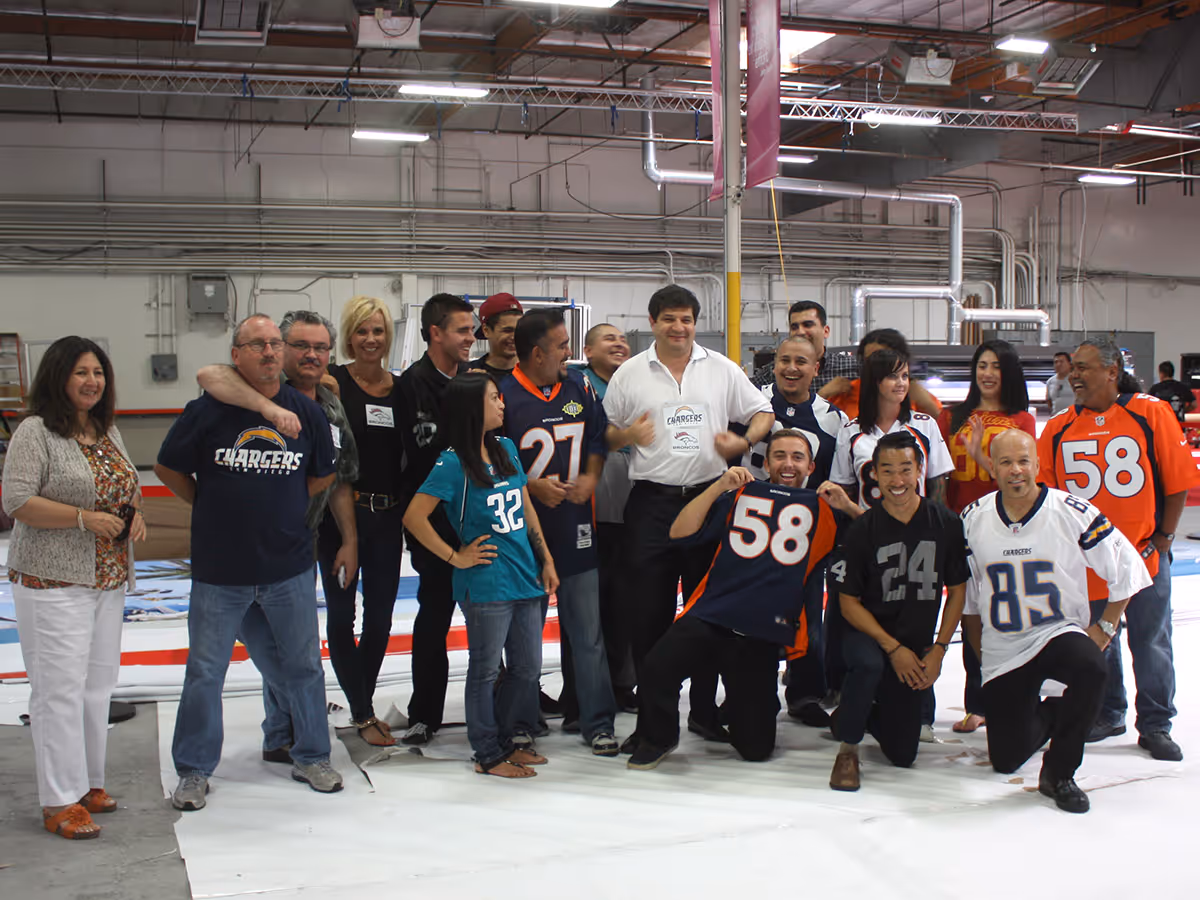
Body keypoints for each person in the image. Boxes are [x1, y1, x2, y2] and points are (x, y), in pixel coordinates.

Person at [156, 314, 341, 811]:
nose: (267, 352)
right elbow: (167, 466)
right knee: (205, 672)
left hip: (289, 565)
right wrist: (209, 502)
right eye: (255, 344)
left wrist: (276, 503)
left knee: (303, 666)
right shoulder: (208, 410)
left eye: (273, 344)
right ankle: (194, 770)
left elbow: (323, 475)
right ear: (235, 354)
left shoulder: (307, 411)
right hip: (221, 569)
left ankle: (313, 756)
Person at [603, 285, 774, 743]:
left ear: (695, 323)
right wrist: (627, 437)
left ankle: (703, 712)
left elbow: (763, 412)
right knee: (649, 616)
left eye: (687, 320)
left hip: (710, 499)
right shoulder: (629, 374)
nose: (679, 328)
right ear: (653, 322)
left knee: (709, 611)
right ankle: (653, 723)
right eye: (669, 319)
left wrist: (744, 442)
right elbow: (606, 436)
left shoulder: (720, 368)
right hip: (651, 504)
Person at [196, 310, 370, 749]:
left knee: (289, 647)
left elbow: (338, 479)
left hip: (298, 544)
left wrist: (349, 539)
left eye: (320, 348)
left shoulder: (328, 405)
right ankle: (289, 724)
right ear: (277, 348)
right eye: (299, 346)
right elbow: (210, 373)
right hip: (238, 548)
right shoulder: (251, 389)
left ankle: (280, 733)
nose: (310, 355)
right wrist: (266, 405)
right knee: (266, 647)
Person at [961, 429, 1152, 813]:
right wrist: (981, 653)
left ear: (1036, 464)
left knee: (1091, 667)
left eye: (1023, 461)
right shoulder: (972, 518)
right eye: (1006, 462)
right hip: (1005, 646)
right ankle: (1049, 714)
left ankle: (1060, 773)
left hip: (1055, 631)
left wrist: (1107, 626)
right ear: (992, 468)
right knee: (1006, 759)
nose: (1016, 470)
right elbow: (968, 600)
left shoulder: (1070, 510)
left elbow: (1127, 566)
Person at [3, 337, 145, 840]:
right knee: (58, 691)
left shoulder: (105, 430)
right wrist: (84, 519)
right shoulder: (35, 432)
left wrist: (135, 517)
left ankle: (87, 784)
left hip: (106, 579)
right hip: (52, 580)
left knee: (96, 687)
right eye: (81, 372)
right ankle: (58, 800)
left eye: (99, 373)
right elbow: (17, 500)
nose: (92, 382)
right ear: (58, 377)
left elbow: (125, 488)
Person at [626, 431, 837, 770]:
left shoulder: (825, 509)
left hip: (761, 632)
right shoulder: (740, 495)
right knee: (655, 667)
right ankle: (659, 736)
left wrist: (849, 505)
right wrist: (717, 487)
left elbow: (869, 538)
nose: (788, 464)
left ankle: (743, 710)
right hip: (714, 615)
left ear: (811, 465)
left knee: (755, 748)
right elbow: (679, 532)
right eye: (779, 455)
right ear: (765, 463)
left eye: (797, 457)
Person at [1038, 338, 1200, 762]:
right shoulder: (1057, 427)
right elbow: (1050, 497)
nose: (1074, 374)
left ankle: (1156, 723)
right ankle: (1108, 712)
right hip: (1088, 560)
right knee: (1099, 641)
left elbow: (1177, 481)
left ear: (1112, 372)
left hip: (1144, 553)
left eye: (1085, 367)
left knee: (1151, 640)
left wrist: (1164, 538)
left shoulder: (1150, 411)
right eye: (1073, 367)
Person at [403, 372, 559, 778]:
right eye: (494, 398)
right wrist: (455, 556)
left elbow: (525, 509)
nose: (502, 403)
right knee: (485, 668)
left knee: (527, 668)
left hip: (525, 574)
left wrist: (546, 559)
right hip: (487, 581)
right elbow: (414, 517)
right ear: (472, 407)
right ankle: (487, 752)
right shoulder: (452, 463)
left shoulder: (506, 447)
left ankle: (508, 740)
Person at [499, 310, 619, 756]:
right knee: (523, 639)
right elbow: (485, 458)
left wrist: (590, 475)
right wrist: (529, 485)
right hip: (521, 533)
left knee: (587, 631)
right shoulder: (503, 395)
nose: (570, 352)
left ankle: (597, 721)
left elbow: (598, 438)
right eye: (562, 345)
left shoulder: (578, 387)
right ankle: (520, 720)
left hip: (575, 528)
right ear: (537, 353)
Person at [827, 432, 968, 791]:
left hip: (915, 641)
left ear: (921, 469)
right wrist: (892, 648)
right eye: (887, 470)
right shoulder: (862, 529)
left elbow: (957, 591)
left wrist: (938, 649)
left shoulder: (947, 523)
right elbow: (848, 603)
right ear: (873, 474)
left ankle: (855, 715)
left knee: (903, 754)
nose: (898, 480)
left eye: (906, 469)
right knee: (869, 664)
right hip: (869, 636)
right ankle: (848, 749)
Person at [741, 334, 847, 727]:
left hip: (804, 532)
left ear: (816, 368)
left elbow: (835, 478)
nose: (791, 368)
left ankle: (804, 694)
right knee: (752, 615)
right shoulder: (752, 402)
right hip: (751, 528)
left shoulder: (833, 418)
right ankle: (754, 691)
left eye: (801, 361)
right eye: (784, 360)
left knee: (807, 616)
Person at [937, 339, 1036, 734]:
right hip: (961, 528)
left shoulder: (1021, 420)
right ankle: (976, 703)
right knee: (970, 617)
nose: (987, 373)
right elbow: (940, 476)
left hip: (1006, 526)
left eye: (995, 366)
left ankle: (1011, 696)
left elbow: (1021, 479)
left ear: (1008, 372)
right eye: (981, 365)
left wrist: (981, 455)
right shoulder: (952, 417)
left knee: (1006, 614)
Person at [396, 293, 476, 745]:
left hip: (477, 521)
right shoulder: (409, 387)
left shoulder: (474, 382)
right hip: (432, 525)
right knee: (434, 617)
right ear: (435, 333)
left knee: (489, 618)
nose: (471, 338)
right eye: (463, 330)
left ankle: (498, 708)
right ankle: (424, 712)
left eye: (471, 330)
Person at [571, 323, 636, 713]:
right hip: (589, 511)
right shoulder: (577, 386)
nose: (619, 343)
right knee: (588, 608)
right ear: (587, 349)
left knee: (626, 604)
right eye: (609, 338)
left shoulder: (635, 382)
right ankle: (582, 691)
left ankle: (623, 683)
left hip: (632, 510)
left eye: (623, 339)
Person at [830, 347, 953, 513]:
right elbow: (845, 490)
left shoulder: (926, 425)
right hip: (868, 531)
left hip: (917, 531)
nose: (901, 383)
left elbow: (937, 485)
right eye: (892, 376)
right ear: (874, 381)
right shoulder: (850, 431)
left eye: (905, 376)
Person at [822, 328, 943, 421]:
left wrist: (927, 405)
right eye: (869, 359)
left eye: (882, 358)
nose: (876, 364)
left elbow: (942, 431)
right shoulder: (846, 393)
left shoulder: (914, 393)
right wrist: (822, 394)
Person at [750, 300, 858, 391]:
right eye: (794, 327)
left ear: (826, 331)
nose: (800, 332)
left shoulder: (852, 368)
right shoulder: (772, 373)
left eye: (808, 325)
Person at [469, 293, 523, 382]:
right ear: (486, 330)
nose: (514, 337)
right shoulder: (471, 376)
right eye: (507, 330)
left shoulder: (535, 374)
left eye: (518, 330)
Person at [1046, 351, 1074, 416]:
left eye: (1061, 362)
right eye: (1056, 362)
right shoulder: (1050, 381)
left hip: (1074, 419)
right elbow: (1049, 401)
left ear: (1069, 364)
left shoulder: (1076, 379)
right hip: (1057, 418)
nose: (1058, 364)